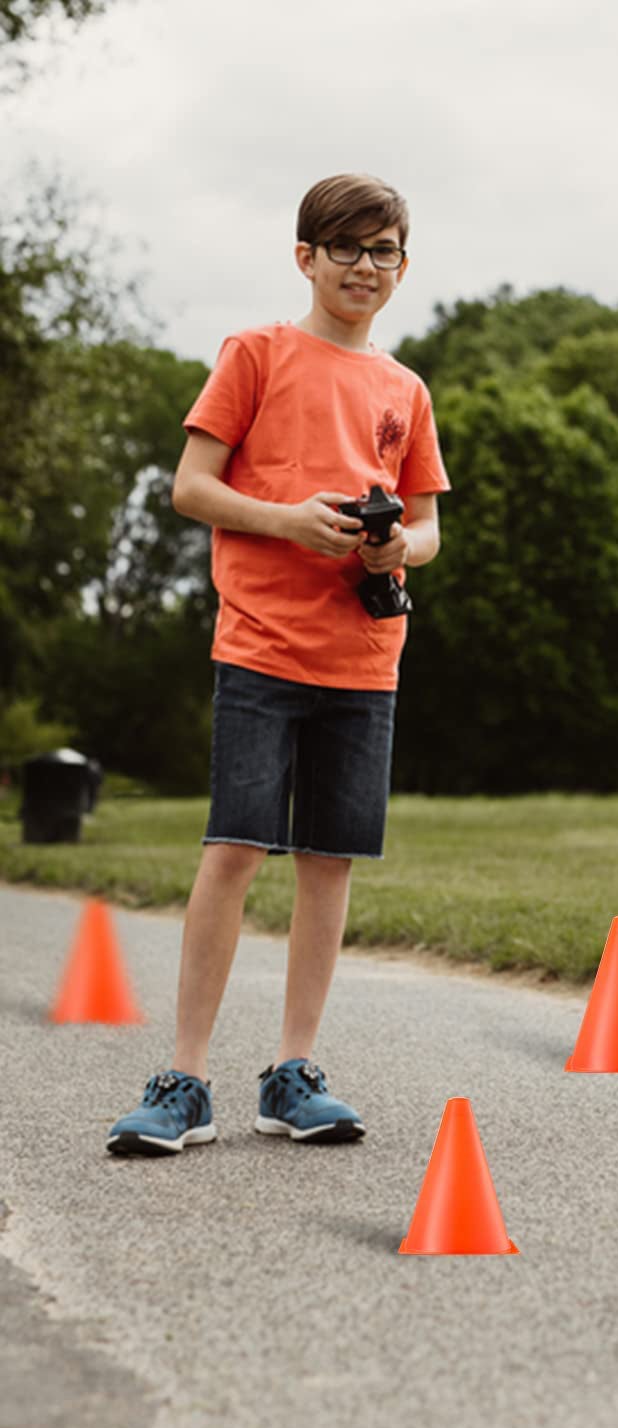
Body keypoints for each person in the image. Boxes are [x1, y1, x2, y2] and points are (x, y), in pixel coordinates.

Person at [107, 173, 450, 1156]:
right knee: (234, 849)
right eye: (345, 248)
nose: (364, 267)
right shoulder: (255, 354)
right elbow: (191, 487)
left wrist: (395, 551)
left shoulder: (406, 390)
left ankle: (293, 1073)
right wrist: (291, 522)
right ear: (306, 257)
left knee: (328, 862)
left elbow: (426, 523)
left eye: (382, 250)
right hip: (260, 642)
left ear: (402, 267)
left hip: (364, 653)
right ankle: (184, 1078)